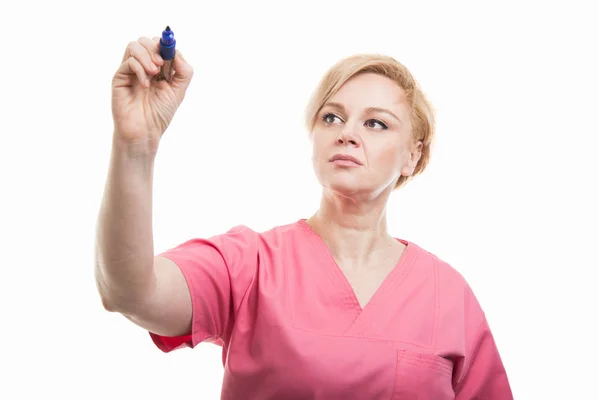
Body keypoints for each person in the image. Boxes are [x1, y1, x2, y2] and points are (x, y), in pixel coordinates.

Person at [95, 36, 514, 400]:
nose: (346, 133)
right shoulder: (250, 264)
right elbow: (130, 293)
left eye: (375, 123)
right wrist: (136, 144)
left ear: (413, 155)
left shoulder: (448, 297)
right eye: (332, 117)